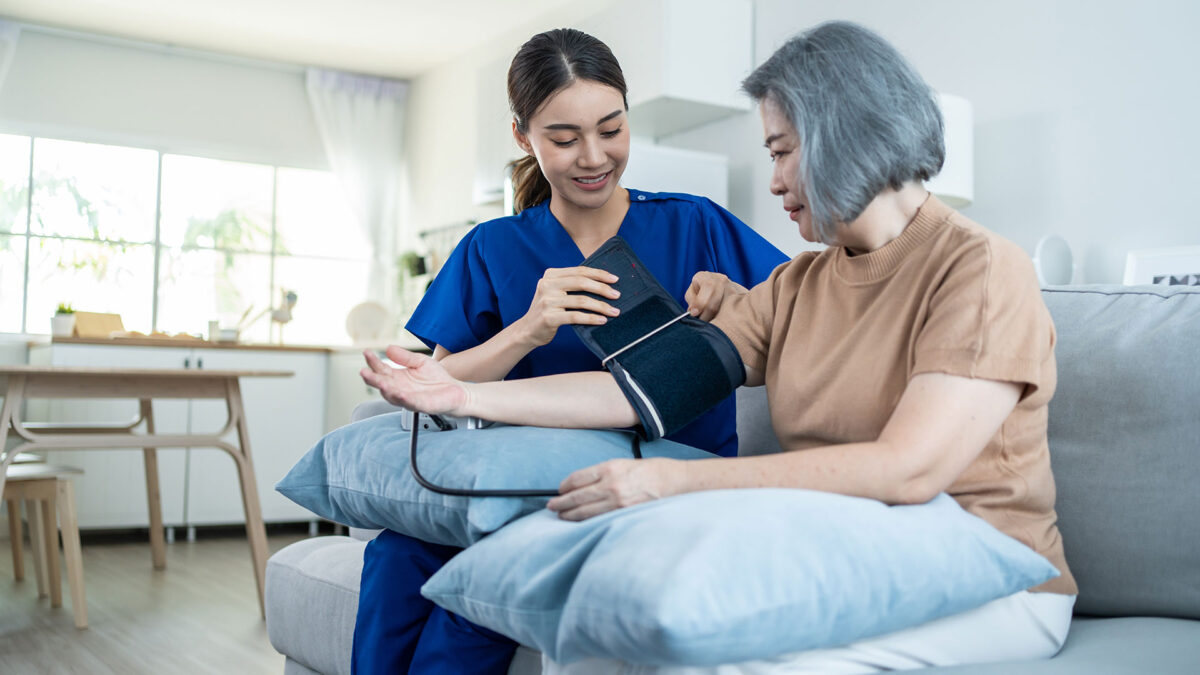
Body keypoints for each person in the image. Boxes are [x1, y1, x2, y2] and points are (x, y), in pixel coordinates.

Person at [361, 21, 1078, 674]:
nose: (771, 182)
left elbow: (909, 470)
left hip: (991, 566)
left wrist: (670, 482)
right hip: (845, 540)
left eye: (781, 152)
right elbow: (636, 387)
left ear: (843, 137)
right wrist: (465, 394)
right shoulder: (800, 284)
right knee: (600, 639)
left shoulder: (981, 269)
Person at [351, 28, 787, 675]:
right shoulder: (492, 247)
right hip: (522, 480)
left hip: (655, 484)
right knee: (394, 555)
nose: (593, 156)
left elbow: (806, 319)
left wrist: (739, 301)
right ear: (523, 137)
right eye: (563, 137)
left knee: (473, 597)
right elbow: (439, 383)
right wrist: (526, 328)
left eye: (611, 129)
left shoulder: (696, 225)